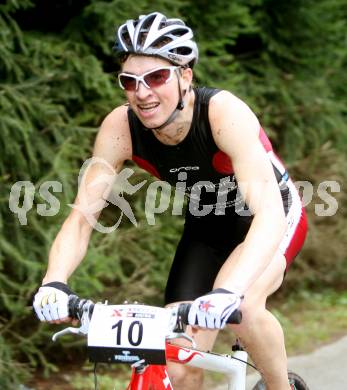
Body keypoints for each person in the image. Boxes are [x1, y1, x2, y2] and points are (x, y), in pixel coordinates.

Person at [33, 12, 307, 390]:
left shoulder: (223, 112)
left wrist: (228, 292)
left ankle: (281, 388)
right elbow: (82, 217)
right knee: (175, 361)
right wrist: (54, 282)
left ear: (185, 76)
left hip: (270, 215)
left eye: (157, 77)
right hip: (207, 226)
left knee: (242, 309)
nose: (142, 93)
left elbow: (268, 213)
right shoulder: (120, 127)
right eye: (130, 82)